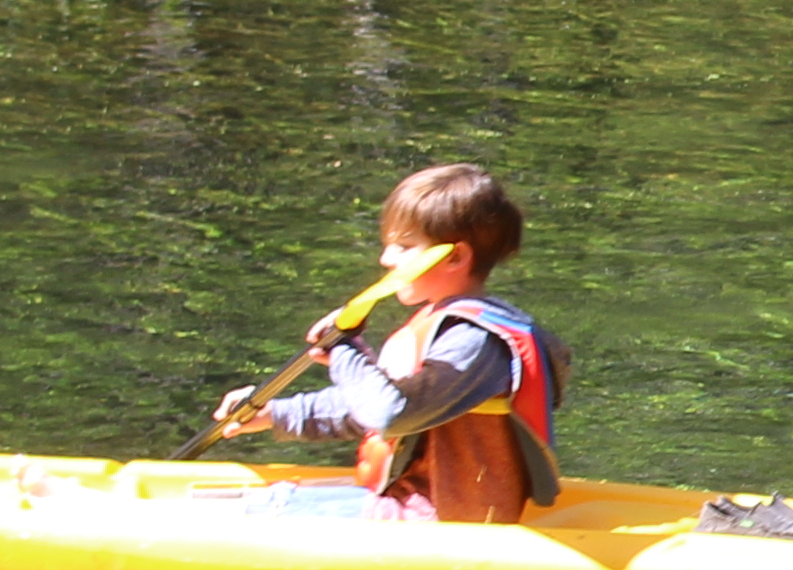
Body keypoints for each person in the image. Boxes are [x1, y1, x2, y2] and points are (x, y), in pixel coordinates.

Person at [211, 162, 566, 522]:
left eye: (404, 246)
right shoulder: (445, 324)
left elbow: (389, 413)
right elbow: (370, 406)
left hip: (428, 520)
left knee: (241, 512)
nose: (386, 259)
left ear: (455, 256)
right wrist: (279, 415)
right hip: (401, 501)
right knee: (257, 499)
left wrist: (343, 350)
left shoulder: (473, 340)